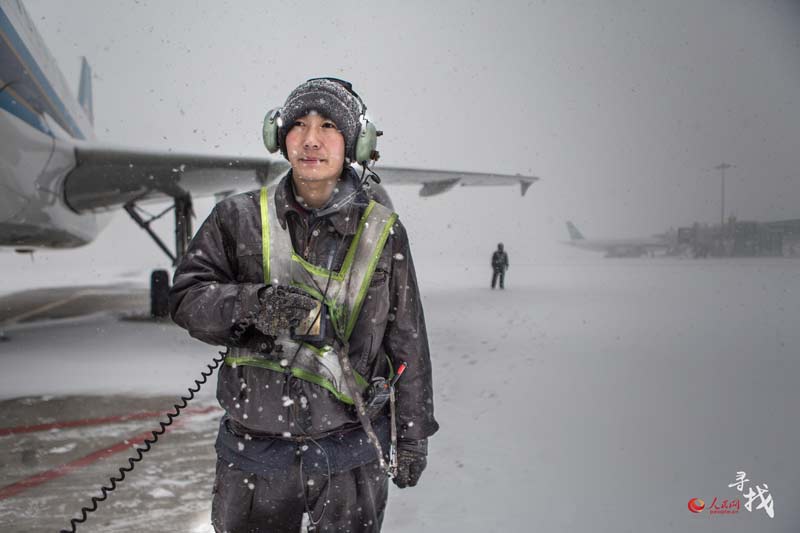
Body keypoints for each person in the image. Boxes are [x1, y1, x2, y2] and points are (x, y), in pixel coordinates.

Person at [169, 78, 439, 533]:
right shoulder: (237, 219)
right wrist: (254, 305)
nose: (310, 139)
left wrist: (412, 435)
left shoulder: (383, 232)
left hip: (350, 453)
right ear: (279, 135)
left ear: (355, 142)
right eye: (298, 124)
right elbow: (187, 298)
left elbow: (407, 337)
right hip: (254, 456)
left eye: (329, 125)